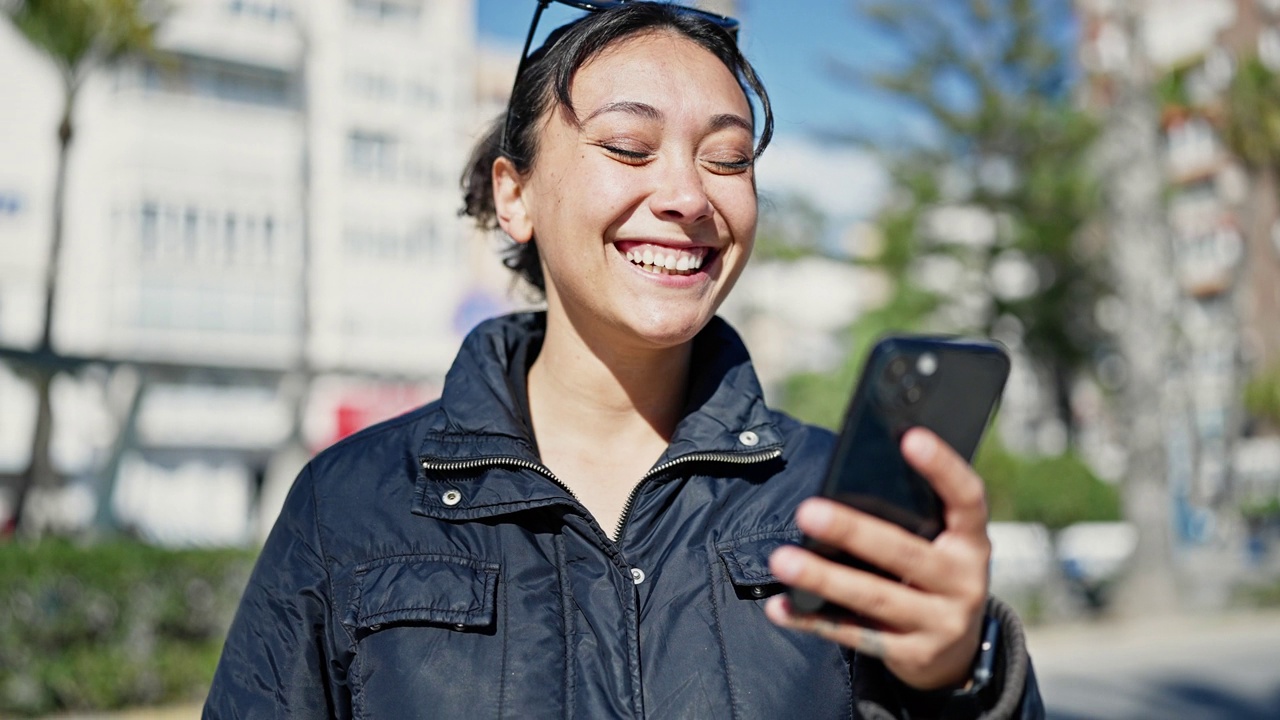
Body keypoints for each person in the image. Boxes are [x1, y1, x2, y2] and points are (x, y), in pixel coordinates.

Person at [204, 2, 1043, 718]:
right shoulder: (350, 503)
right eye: (630, 149)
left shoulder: (830, 503)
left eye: (728, 158)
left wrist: (961, 676)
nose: (688, 196)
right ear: (514, 194)